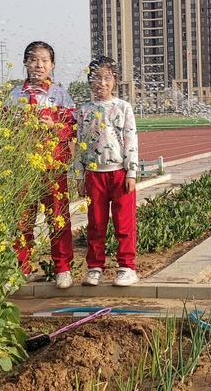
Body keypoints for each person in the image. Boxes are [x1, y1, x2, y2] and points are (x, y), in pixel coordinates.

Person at [7, 41, 77, 289]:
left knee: (58, 218)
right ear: (25, 63)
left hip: (53, 166)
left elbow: (73, 127)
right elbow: (4, 130)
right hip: (24, 167)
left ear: (52, 65)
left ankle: (62, 268)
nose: (39, 65)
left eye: (44, 60)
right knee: (22, 219)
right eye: (34, 59)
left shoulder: (60, 94)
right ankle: (21, 268)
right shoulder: (15, 95)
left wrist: (54, 126)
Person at [77, 56, 140, 287]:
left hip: (119, 173)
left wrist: (131, 172)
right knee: (95, 223)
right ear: (89, 81)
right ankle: (95, 267)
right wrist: (79, 175)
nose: (101, 83)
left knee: (124, 223)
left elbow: (130, 139)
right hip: (94, 174)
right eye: (96, 78)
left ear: (115, 81)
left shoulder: (123, 107)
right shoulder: (83, 110)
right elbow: (79, 144)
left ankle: (127, 266)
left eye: (106, 78)